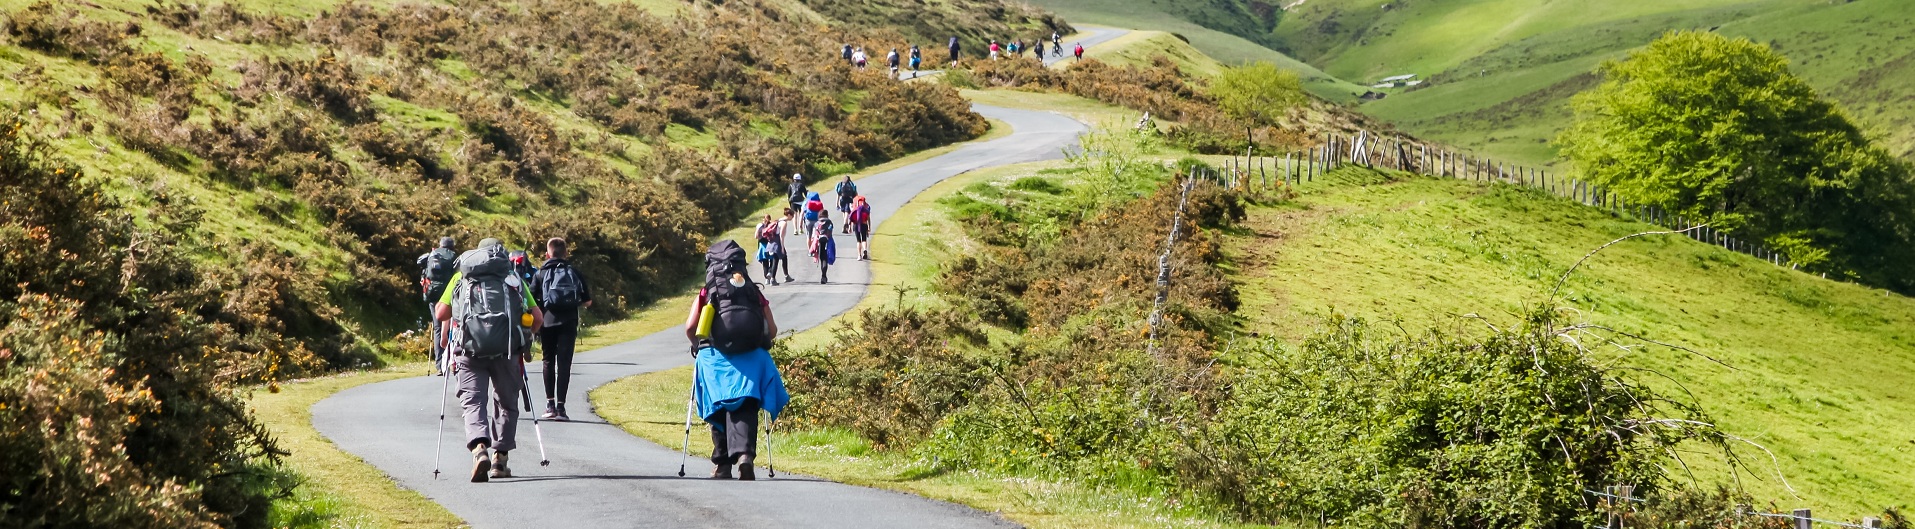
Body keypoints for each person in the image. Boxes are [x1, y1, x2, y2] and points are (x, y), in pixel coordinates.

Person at [436, 238, 544, 483]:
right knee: (506, 404)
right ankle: (500, 459)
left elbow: (441, 313)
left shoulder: (461, 278)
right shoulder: (512, 278)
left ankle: (479, 448)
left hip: (469, 351)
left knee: (473, 401)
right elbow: (537, 317)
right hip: (507, 352)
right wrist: (526, 341)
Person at [685, 240, 788, 480]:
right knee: (746, 405)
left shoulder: (708, 292)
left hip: (715, 360)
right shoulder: (753, 291)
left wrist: (696, 347)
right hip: (752, 359)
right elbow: (771, 330)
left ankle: (722, 465)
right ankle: (745, 457)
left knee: (718, 405)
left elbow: (691, 328)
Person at [530, 238, 591, 421]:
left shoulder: (540, 273)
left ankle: (549, 405)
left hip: (547, 321)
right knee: (564, 363)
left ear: (548, 254)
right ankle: (562, 408)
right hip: (569, 321)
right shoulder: (573, 271)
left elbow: (531, 299)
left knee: (548, 361)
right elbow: (588, 301)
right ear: (565, 253)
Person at [417, 237, 459, 375]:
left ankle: (440, 365)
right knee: (452, 328)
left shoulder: (431, 255)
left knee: (437, 328)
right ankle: (452, 362)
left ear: (440, 245)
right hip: (449, 296)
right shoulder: (454, 257)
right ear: (452, 247)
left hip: (433, 295)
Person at [809, 210, 836, 284]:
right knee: (826, 258)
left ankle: (823, 275)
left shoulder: (816, 223)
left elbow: (813, 235)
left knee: (822, 258)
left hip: (818, 241)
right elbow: (830, 230)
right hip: (828, 240)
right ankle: (824, 276)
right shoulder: (829, 222)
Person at [848, 195, 872, 261]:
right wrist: (869, 226)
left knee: (858, 241)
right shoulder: (867, 207)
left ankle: (859, 255)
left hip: (856, 225)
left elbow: (850, 217)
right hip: (864, 224)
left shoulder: (853, 206)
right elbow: (868, 218)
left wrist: (849, 227)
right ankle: (865, 250)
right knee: (864, 239)